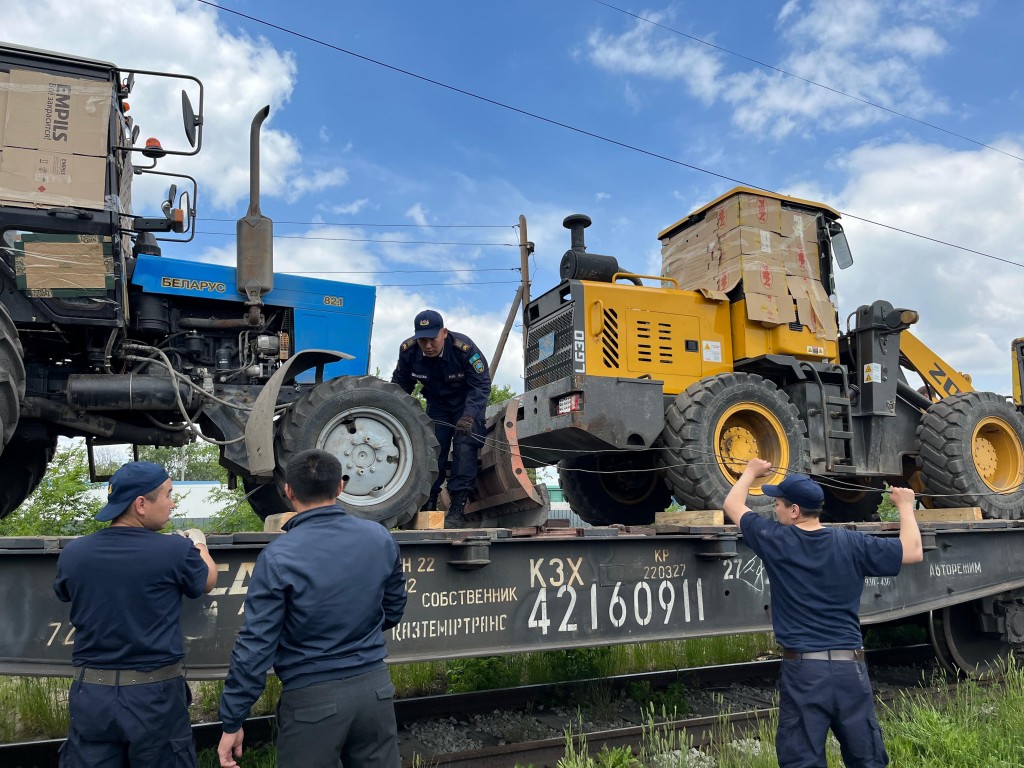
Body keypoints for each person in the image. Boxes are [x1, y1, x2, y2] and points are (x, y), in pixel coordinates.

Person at [722, 459, 923, 768]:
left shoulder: (776, 540)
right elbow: (912, 551)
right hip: (850, 672)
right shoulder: (852, 543)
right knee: (867, 760)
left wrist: (749, 472)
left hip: (804, 672)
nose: (773, 509)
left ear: (794, 511)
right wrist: (906, 506)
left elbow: (732, 504)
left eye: (777, 504)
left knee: (801, 760)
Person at [217, 448, 407, 768]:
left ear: (288, 491)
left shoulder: (279, 557)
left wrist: (233, 719)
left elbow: (256, 645)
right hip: (375, 690)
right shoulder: (379, 537)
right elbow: (395, 607)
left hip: (312, 700)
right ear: (340, 487)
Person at [53, 460, 217, 767]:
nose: (172, 503)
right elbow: (207, 581)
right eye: (168, 494)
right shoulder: (174, 551)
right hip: (154, 698)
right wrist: (199, 545)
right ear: (141, 504)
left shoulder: (74, 553)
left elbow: (64, 593)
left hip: (92, 696)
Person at [392, 308, 491, 528]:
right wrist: (393, 417)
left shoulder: (464, 349)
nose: (427, 345)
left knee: (465, 450)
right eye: (422, 340)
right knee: (432, 451)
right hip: (437, 405)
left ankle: (457, 508)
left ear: (444, 333)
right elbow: (400, 386)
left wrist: (469, 416)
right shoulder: (408, 351)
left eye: (432, 339)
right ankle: (428, 503)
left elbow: (481, 384)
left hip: (467, 404)